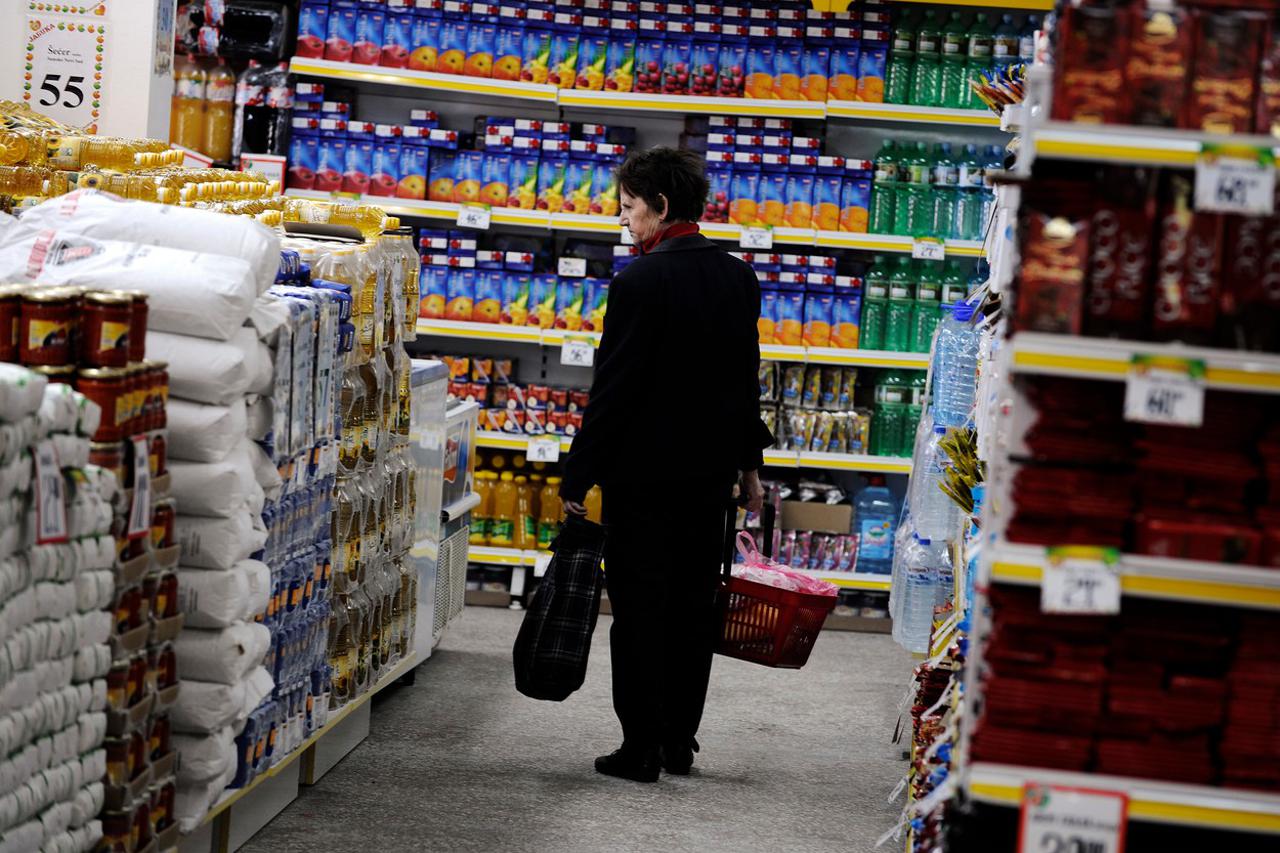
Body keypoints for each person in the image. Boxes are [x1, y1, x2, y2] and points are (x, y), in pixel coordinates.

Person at [559, 147, 773, 783]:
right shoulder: (738, 277)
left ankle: (640, 748)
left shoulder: (638, 281)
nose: (624, 220)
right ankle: (679, 741)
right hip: (709, 480)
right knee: (690, 611)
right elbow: (744, 384)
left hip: (643, 481)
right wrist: (751, 470)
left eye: (629, 207)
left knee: (640, 613)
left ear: (660, 206)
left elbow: (614, 389)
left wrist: (580, 474)